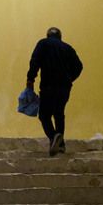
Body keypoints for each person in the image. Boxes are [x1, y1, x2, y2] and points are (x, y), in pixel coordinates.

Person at [26, 27, 83, 156]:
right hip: (64, 88)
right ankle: (61, 144)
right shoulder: (68, 48)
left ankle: (53, 137)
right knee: (59, 113)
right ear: (60, 37)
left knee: (44, 115)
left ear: (47, 35)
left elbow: (35, 61)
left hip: (48, 86)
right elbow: (79, 67)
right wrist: (70, 78)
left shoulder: (43, 44)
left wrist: (30, 79)